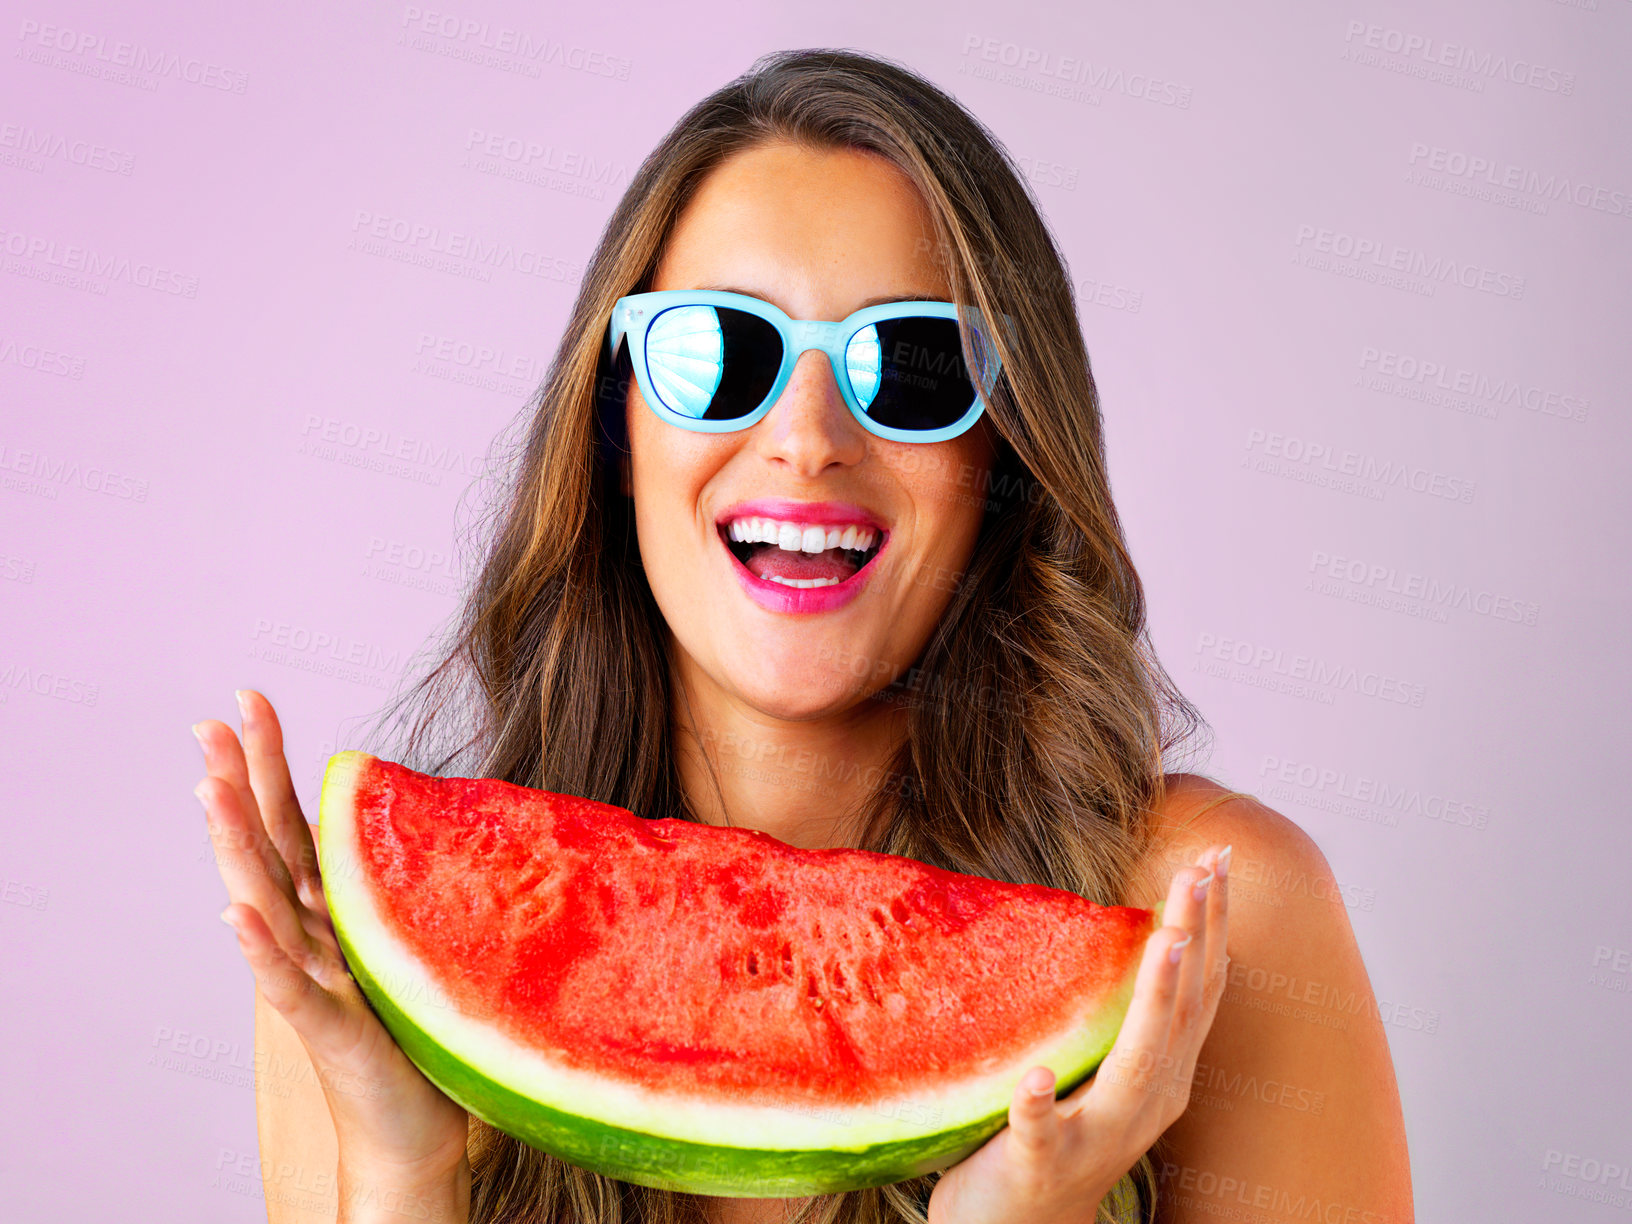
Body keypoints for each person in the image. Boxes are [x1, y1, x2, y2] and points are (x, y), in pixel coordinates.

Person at [192, 48, 1411, 1224]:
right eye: (719, 351)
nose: (806, 435)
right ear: (617, 429)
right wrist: (402, 1177)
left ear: (1006, 451)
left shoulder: (1210, 925)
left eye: (914, 364)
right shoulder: (364, 959)